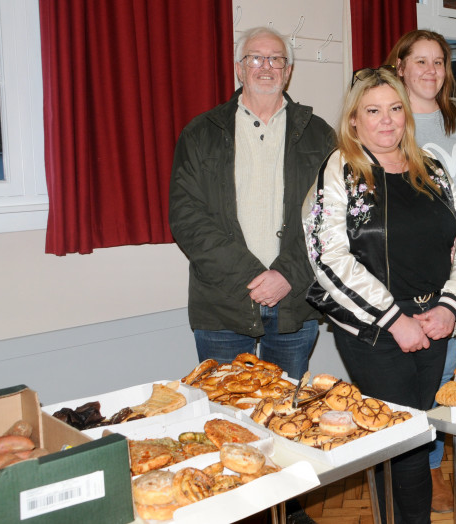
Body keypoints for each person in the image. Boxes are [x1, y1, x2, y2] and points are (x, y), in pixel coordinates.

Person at [169, 27, 334, 523]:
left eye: (276, 59)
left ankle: (288, 505)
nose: (265, 66)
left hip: (295, 301)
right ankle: (237, 508)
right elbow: (187, 219)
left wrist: (287, 274)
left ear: (288, 70)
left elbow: (331, 219)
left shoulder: (318, 133)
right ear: (238, 68)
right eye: (255, 58)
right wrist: (251, 275)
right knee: (223, 418)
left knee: (286, 413)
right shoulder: (202, 132)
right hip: (221, 303)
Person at [303, 66, 456, 524]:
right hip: (374, 334)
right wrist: (394, 319)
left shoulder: (432, 169)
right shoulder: (339, 172)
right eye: (373, 111)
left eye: (395, 109)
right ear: (354, 120)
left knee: (419, 434)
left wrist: (448, 306)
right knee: (402, 441)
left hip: (434, 324)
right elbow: (328, 258)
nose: (387, 121)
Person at [386, 29, 456, 514]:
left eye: (439, 62)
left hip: (453, 272)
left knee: (442, 370)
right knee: (400, 373)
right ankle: (401, 467)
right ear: (400, 65)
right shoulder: (388, 118)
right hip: (403, 273)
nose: (430, 70)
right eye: (419, 61)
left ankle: (432, 465)